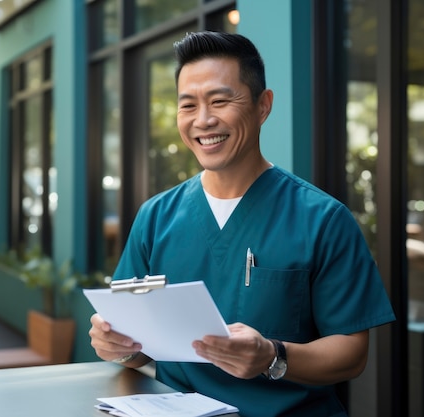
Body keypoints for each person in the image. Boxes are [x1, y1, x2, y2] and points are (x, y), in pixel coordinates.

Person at [89, 31, 396, 417]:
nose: (203, 120)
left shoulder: (323, 219)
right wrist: (120, 346)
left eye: (220, 101)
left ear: (262, 106)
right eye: (188, 106)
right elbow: (138, 349)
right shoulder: (156, 216)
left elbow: (351, 354)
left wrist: (272, 356)